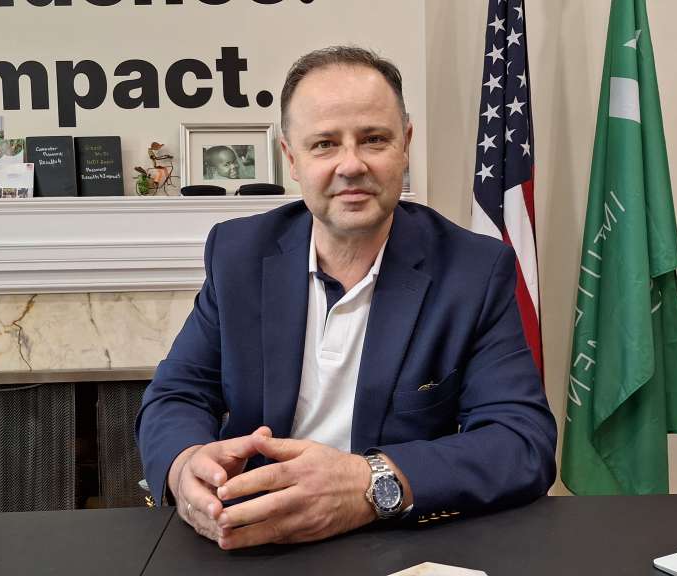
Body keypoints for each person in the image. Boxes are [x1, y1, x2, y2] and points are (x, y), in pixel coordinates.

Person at [136, 46, 557, 550]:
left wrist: (368, 481)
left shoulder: (474, 270)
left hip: (397, 539)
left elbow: (521, 441)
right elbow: (177, 394)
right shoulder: (238, 254)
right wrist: (184, 465)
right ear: (291, 158)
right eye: (324, 144)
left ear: (405, 145)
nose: (351, 165)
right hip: (251, 536)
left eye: (374, 139)